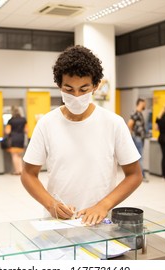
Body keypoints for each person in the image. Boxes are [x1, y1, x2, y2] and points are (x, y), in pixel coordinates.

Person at [21, 45, 142, 226]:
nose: (76, 96)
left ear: (95, 86)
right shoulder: (47, 124)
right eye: (69, 89)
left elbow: (134, 175)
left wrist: (103, 205)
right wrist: (50, 204)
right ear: (59, 86)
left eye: (83, 89)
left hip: (99, 221)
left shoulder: (113, 123)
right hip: (58, 222)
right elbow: (28, 174)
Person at [127, 98, 148, 182]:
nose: (145, 105)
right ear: (141, 103)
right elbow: (130, 124)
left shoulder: (139, 113)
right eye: (144, 103)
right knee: (139, 157)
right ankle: (142, 175)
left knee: (139, 156)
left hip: (140, 138)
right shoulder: (135, 113)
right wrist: (133, 134)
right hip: (137, 138)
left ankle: (140, 174)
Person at [4, 106, 27, 175]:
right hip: (21, 139)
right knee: (19, 155)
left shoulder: (11, 121)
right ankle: (21, 170)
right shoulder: (23, 120)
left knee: (14, 156)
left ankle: (17, 171)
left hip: (13, 139)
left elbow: (7, 131)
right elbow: (26, 130)